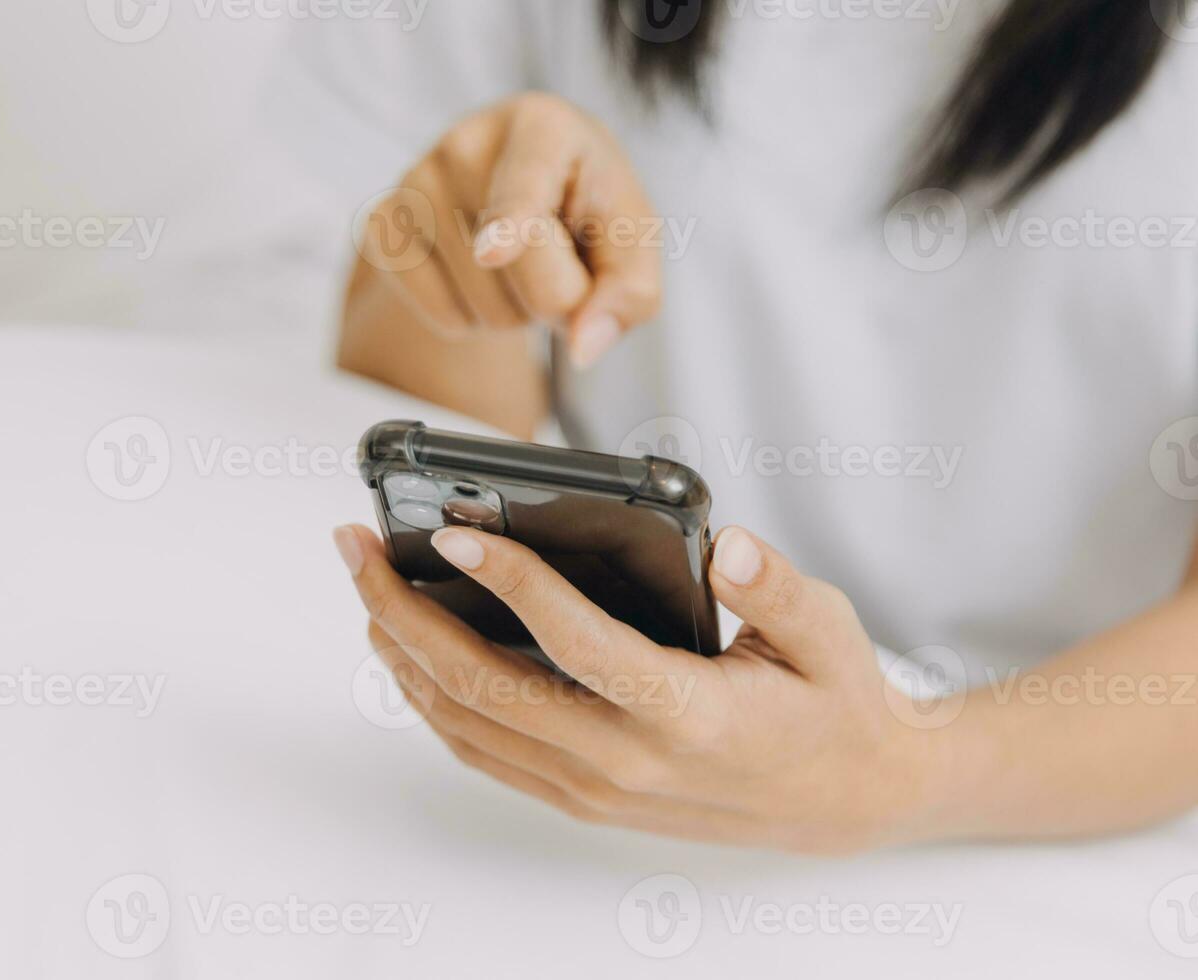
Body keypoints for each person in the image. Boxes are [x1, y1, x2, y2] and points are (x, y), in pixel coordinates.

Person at [298, 0, 1198, 852]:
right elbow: (411, 409)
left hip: (1044, 798)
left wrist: (901, 769)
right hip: (557, 751)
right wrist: (476, 264)